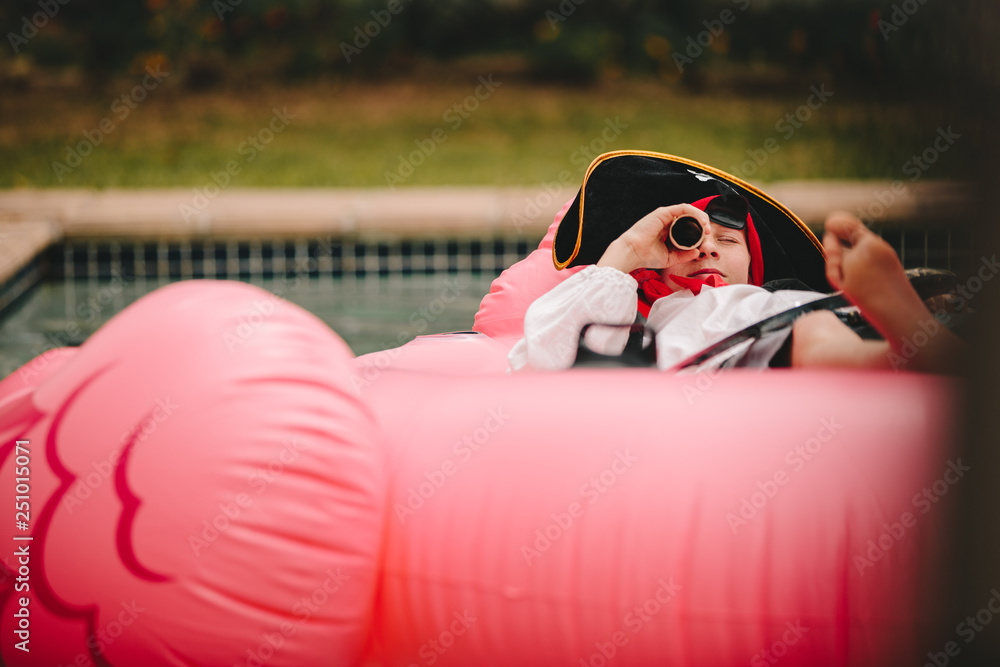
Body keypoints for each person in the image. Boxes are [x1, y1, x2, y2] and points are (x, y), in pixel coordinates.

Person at [507, 200, 964, 374]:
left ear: (753, 263)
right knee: (798, 328)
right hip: (781, 336)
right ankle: (911, 328)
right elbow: (550, 362)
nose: (707, 251)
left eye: (726, 241)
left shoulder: (768, 294)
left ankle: (912, 319)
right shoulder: (655, 317)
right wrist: (627, 250)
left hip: (819, 313)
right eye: (688, 242)